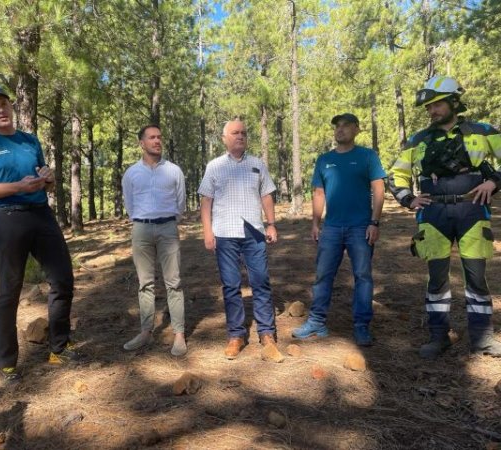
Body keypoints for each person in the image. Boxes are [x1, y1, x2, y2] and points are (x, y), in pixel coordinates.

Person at [0, 86, 80, 384]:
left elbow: (46, 180)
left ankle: (59, 347)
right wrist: (18, 186)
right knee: (9, 289)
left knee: (63, 279)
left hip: (41, 215)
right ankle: (6, 363)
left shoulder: (30, 140)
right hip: (6, 218)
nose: (1, 109)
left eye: (5, 104)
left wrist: (49, 180)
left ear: (11, 107)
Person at [389, 75, 501, 359]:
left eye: (437, 104)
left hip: (472, 211)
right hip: (433, 214)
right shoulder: (418, 140)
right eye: (428, 108)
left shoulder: (483, 131)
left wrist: (494, 182)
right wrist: (408, 198)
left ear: (454, 101)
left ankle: (483, 339)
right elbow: (396, 175)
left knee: (476, 278)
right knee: (436, 278)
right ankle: (438, 336)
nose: (432, 111)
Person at [292, 113, 386, 346]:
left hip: (360, 227)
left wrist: (374, 222)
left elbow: (379, 189)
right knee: (323, 275)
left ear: (356, 129)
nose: (340, 130)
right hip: (331, 228)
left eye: (345, 126)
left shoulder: (367, 156)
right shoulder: (324, 160)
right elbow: (318, 193)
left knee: (362, 276)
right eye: (337, 126)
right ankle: (316, 322)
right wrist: (315, 223)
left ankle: (361, 325)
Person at [198, 119, 284, 362]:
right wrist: (207, 231)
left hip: (254, 232)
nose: (240, 136)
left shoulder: (257, 165)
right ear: (224, 138)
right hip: (225, 232)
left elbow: (266, 194)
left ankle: (267, 333)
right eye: (235, 133)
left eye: (244, 133)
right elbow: (206, 201)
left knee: (261, 282)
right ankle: (236, 335)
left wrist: (271, 223)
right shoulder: (214, 166)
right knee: (231, 286)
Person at [121, 125, 187, 356]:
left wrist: (169, 221)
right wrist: (142, 221)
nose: (157, 141)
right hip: (141, 229)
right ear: (142, 143)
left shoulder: (174, 171)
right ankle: (146, 331)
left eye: (159, 137)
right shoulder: (131, 174)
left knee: (174, 282)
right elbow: (129, 204)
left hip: (168, 228)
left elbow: (181, 203)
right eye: (152, 137)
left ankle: (179, 335)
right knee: (145, 283)